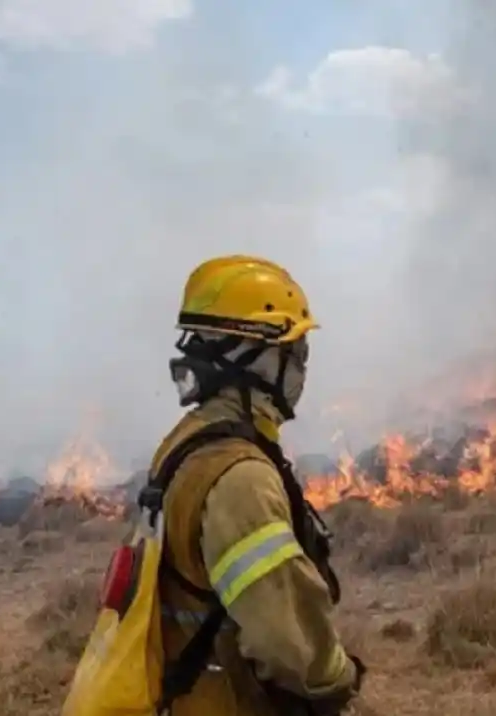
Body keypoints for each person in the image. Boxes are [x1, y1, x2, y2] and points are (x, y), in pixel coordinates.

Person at [147, 254, 363, 716]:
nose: (303, 372)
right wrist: (340, 677)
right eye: (296, 354)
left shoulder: (187, 443)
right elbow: (285, 640)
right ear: (258, 359)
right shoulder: (240, 476)